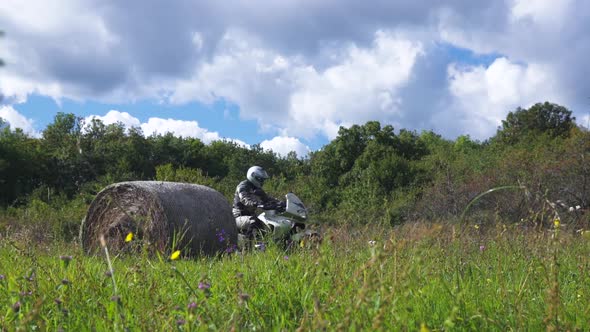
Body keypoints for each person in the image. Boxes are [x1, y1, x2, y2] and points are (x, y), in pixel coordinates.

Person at [233, 166, 284, 238]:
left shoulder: (257, 189)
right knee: (254, 221)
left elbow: (267, 199)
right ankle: (248, 245)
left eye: (263, 180)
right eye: (260, 179)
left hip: (250, 215)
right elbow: (245, 199)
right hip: (238, 216)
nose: (262, 182)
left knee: (267, 223)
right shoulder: (243, 186)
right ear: (253, 176)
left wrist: (281, 203)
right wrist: (257, 204)